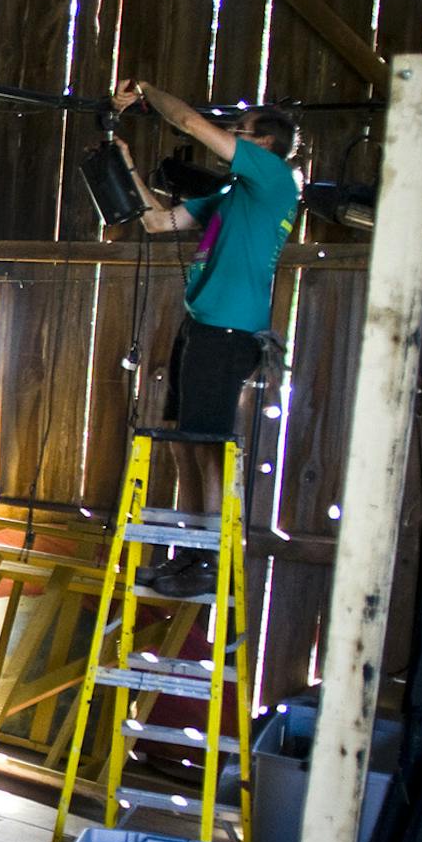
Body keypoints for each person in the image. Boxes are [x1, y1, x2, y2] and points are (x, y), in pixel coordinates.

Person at [111, 78, 301, 599]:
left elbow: (191, 122)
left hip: (229, 332)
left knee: (208, 447)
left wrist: (148, 89)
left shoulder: (274, 178)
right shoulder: (227, 195)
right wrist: (123, 158)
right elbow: (156, 221)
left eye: (243, 133)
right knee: (181, 440)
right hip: (200, 326)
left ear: (266, 146)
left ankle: (209, 559)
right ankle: (193, 552)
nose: (231, 137)